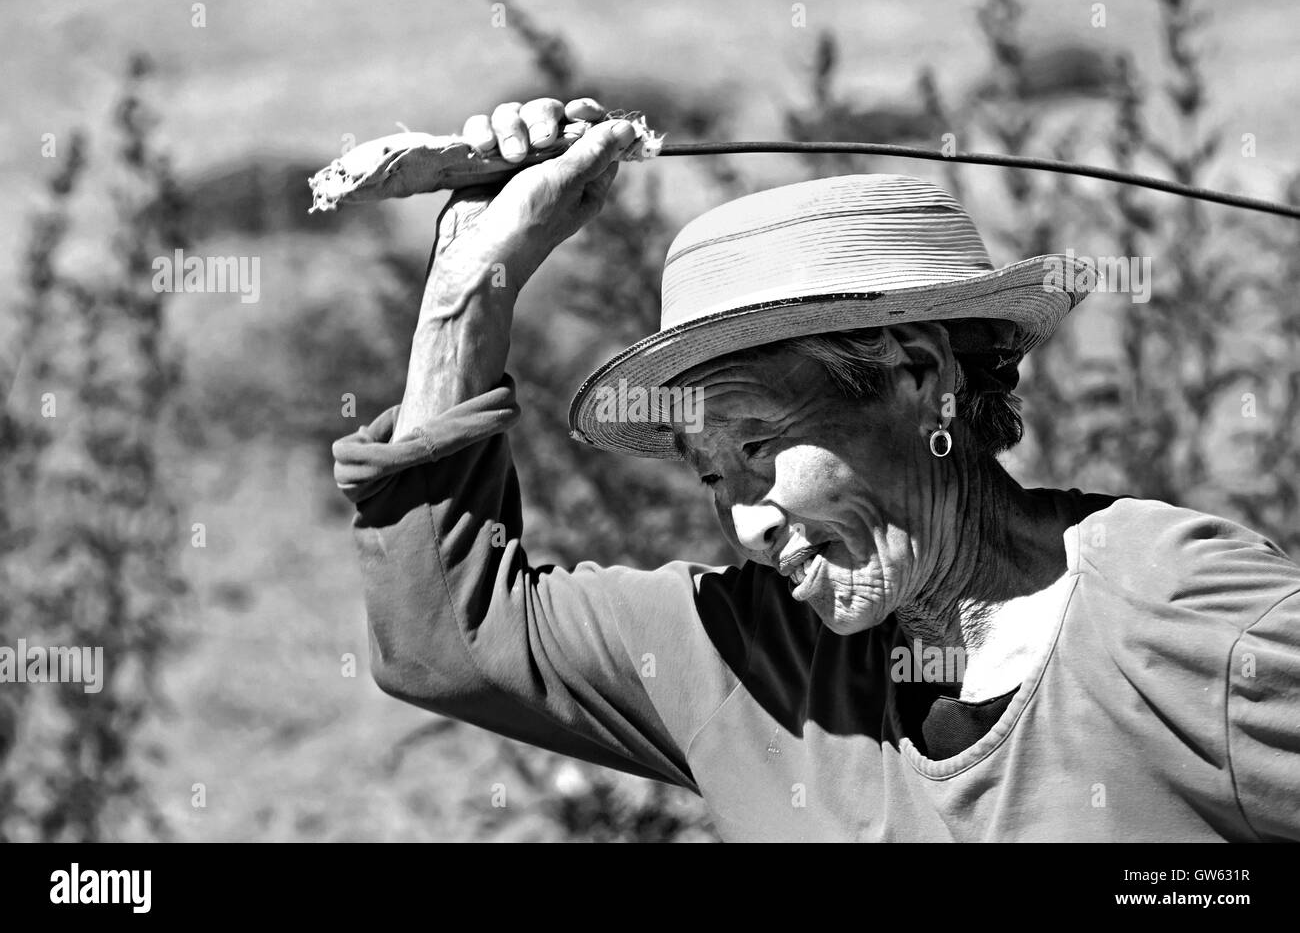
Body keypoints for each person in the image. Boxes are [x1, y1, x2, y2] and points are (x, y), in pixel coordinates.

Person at [333, 96, 1300, 841]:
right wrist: (467, 288)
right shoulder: (750, 661)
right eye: (711, 476)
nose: (743, 524)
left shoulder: (1176, 619)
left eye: (755, 448)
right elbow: (444, 640)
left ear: (917, 375)